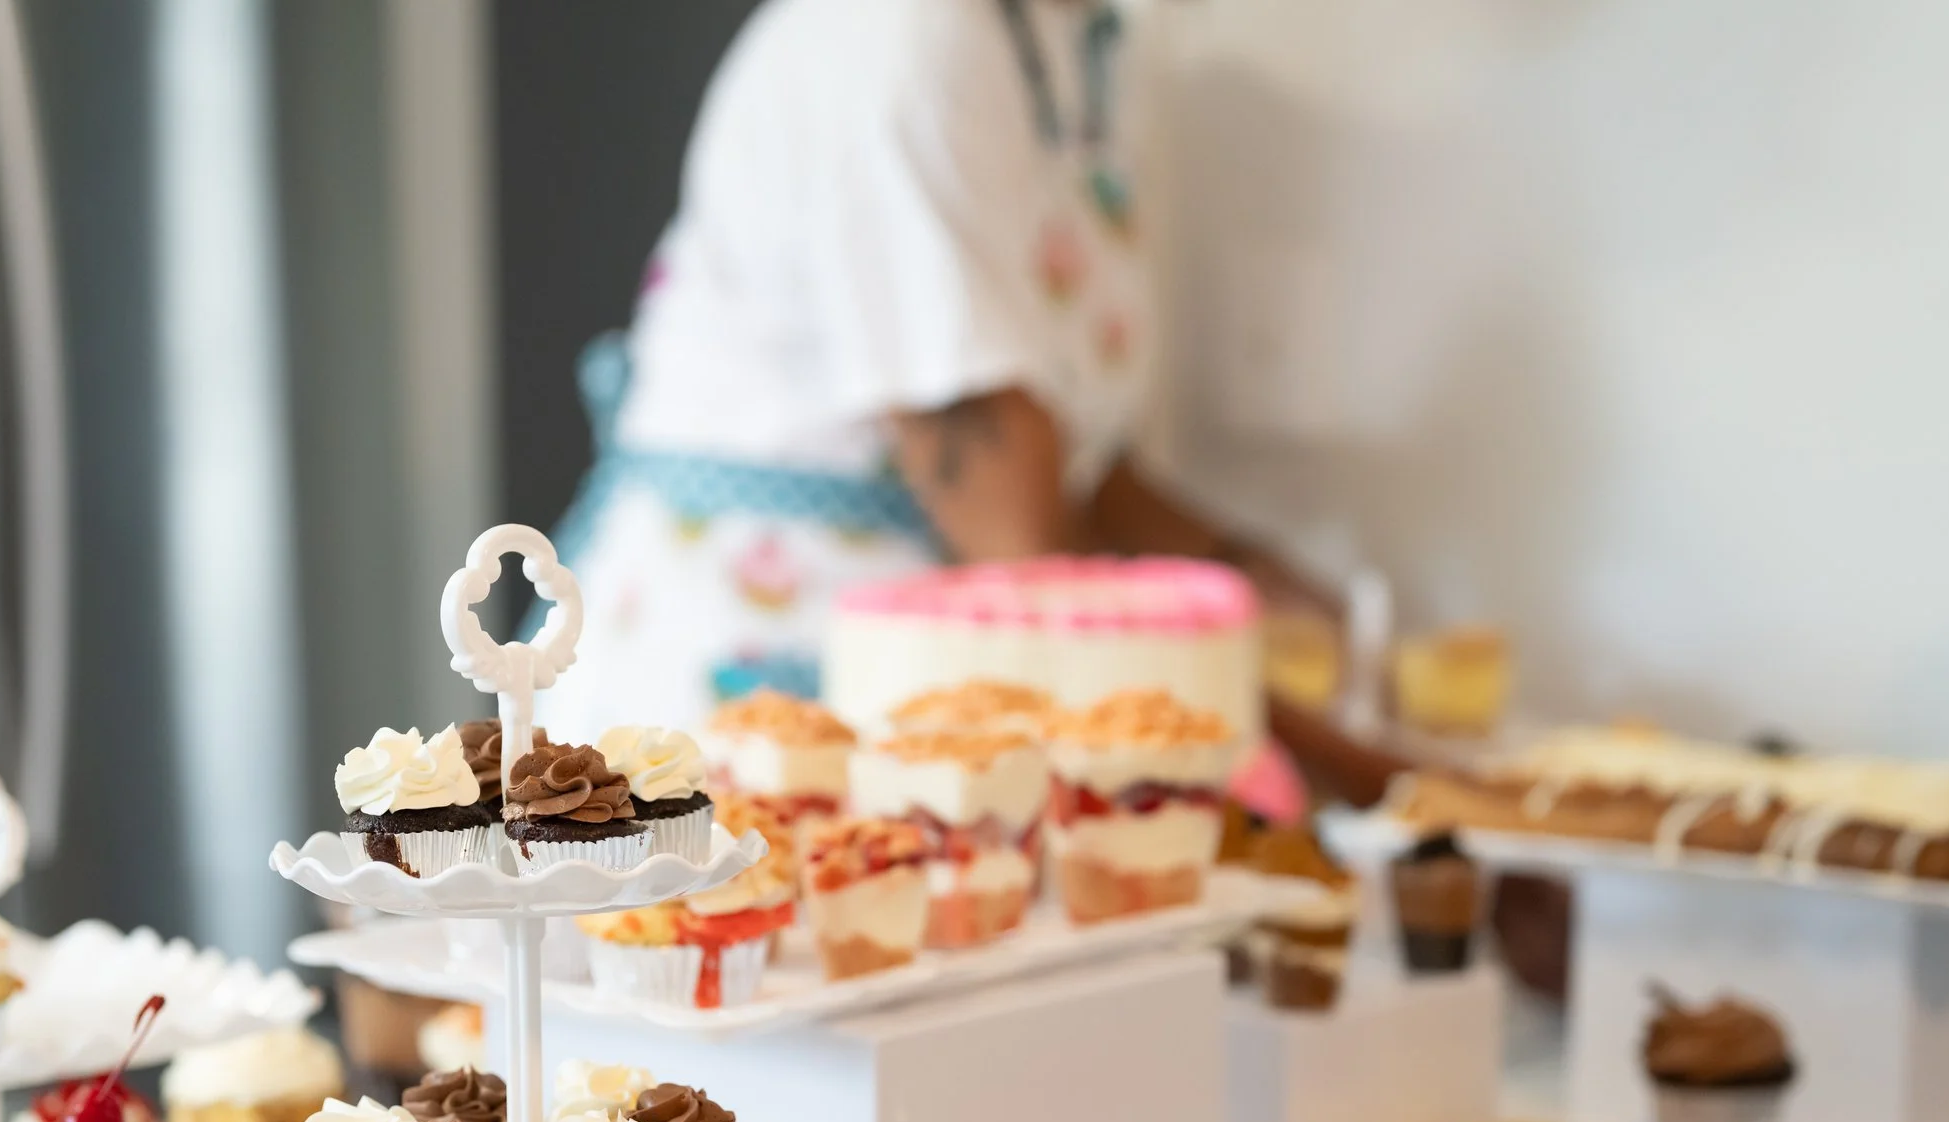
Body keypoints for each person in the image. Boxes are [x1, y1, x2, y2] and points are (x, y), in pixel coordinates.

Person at [539, 0, 1382, 803]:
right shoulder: (909, 44)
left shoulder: (1072, 47)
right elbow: (1023, 546)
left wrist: (1262, 576)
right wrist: (1365, 768)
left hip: (919, 686)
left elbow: (1065, 457)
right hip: (746, 689)